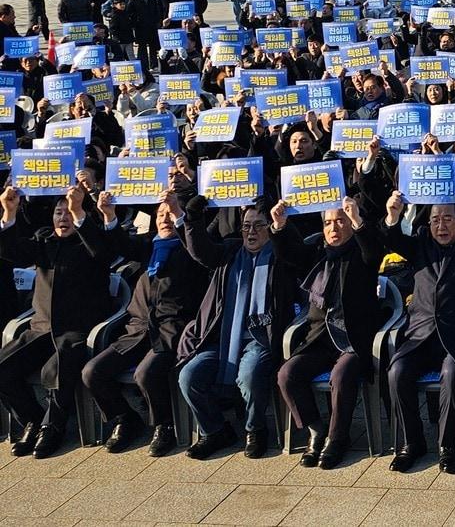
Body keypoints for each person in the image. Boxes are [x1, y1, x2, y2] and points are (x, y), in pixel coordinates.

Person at [82, 188, 208, 455]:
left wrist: (179, 214)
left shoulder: (190, 249)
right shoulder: (149, 246)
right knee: (92, 372)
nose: (164, 218)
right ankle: (126, 419)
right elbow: (120, 245)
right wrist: (108, 214)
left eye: (170, 214)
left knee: (146, 373)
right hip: (138, 330)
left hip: (172, 330)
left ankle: (165, 425)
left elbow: (198, 247)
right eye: (160, 214)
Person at [176, 199, 304, 460]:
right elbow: (200, 250)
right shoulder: (230, 252)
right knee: (189, 376)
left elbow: (296, 251)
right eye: (246, 226)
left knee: (250, 373)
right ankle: (215, 431)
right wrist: (192, 215)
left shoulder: (280, 255)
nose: (251, 232)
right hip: (224, 338)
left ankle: (255, 429)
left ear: (270, 228)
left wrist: (282, 226)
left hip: (263, 337)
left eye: (259, 225)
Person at [380, 187, 455, 473]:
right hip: (419, 336)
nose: (440, 226)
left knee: (452, 373)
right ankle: (413, 442)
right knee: (396, 372)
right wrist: (392, 215)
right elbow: (393, 238)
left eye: (447, 219)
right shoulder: (421, 242)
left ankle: (447, 444)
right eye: (434, 220)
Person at [0, 185, 116, 458]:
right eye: (58, 212)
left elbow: (103, 254)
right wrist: (9, 211)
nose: (63, 218)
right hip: (40, 329)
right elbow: (11, 250)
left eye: (69, 212)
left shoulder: (91, 242)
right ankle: (32, 420)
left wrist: (79, 211)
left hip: (75, 331)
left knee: (57, 367)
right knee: (3, 369)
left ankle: (53, 428)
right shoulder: (44, 242)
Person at [273, 196, 384, 470]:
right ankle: (316, 429)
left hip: (352, 340)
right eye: (328, 223)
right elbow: (289, 253)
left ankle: (337, 439)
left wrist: (358, 219)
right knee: (287, 374)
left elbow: (374, 251)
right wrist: (279, 226)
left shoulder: (362, 253)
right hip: (318, 339)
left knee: (342, 375)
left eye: (340, 221)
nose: (333, 228)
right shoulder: (317, 253)